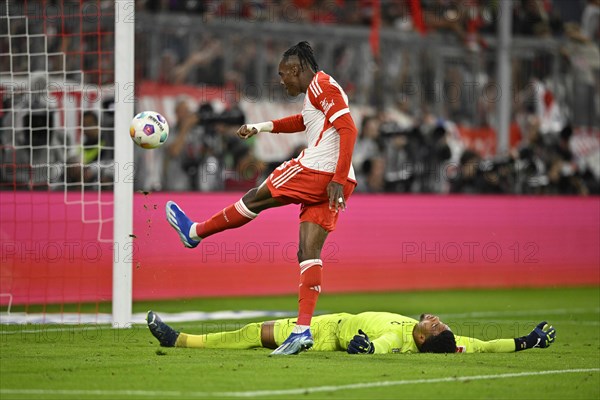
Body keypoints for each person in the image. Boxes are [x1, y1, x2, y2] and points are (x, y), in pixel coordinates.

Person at [165, 41, 358, 356]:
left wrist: (334, 178)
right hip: (340, 178)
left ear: (297, 69)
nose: (282, 81)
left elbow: (348, 129)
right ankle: (301, 330)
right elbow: (303, 122)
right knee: (308, 252)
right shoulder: (318, 92)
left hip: (321, 171)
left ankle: (195, 233)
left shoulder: (322, 86)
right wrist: (262, 127)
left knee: (256, 197)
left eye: (284, 75)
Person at [146, 310, 556, 355]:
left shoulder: (399, 340)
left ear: (421, 339)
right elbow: (488, 345)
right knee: (255, 332)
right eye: (438, 321)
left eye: (433, 325)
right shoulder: (454, 344)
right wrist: (527, 340)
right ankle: (178, 339)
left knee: (255, 332)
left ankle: (178, 341)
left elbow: (378, 349)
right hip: (327, 321)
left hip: (322, 334)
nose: (433, 318)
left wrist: (362, 348)